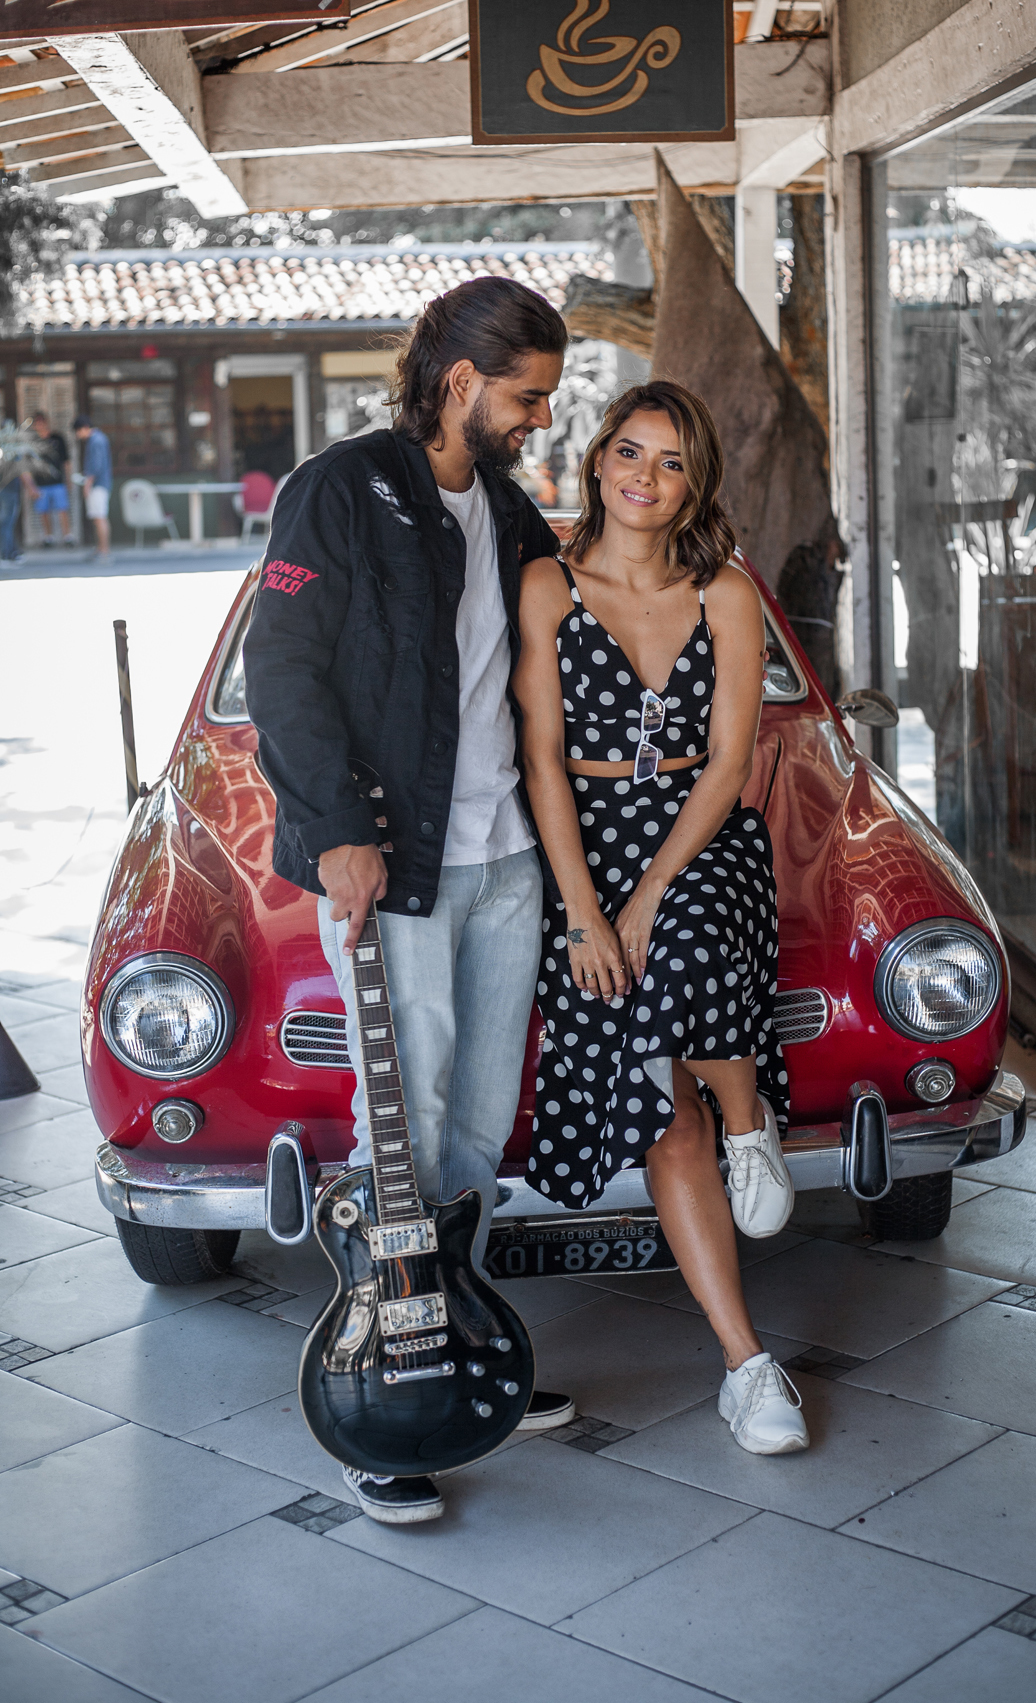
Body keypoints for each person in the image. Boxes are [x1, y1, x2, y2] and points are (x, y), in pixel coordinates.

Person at [243, 275, 576, 1527]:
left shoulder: (505, 508)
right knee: (410, 1112)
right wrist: (333, 832)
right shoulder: (338, 489)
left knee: (481, 1113)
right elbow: (280, 670)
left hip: (507, 860)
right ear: (459, 384)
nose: (540, 419)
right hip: (402, 862)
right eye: (527, 396)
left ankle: (464, 1329)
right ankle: (394, 1380)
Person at [514, 380, 809, 1458]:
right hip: (582, 840)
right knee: (655, 1099)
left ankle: (749, 1126)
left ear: (696, 483)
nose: (645, 477)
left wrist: (640, 903)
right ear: (597, 462)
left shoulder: (727, 592)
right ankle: (747, 1365)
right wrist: (587, 911)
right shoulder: (546, 585)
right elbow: (541, 756)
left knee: (679, 949)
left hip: (702, 830)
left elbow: (731, 763)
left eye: (672, 461)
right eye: (630, 453)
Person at [29, 411, 72, 548]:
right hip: (40, 483)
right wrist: (30, 486)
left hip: (58, 481)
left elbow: (66, 461)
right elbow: (27, 465)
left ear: (46, 422)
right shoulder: (32, 442)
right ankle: (48, 537)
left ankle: (67, 537)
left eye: (42, 421)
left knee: (62, 509)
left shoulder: (58, 438)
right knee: (43, 511)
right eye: (37, 422)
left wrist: (68, 479)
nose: (40, 424)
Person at [73, 415, 112, 558]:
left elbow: (96, 466)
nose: (78, 435)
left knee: (100, 517)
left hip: (98, 485)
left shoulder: (96, 441)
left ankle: (104, 550)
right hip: (99, 484)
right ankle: (100, 548)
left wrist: (87, 485)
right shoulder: (97, 439)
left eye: (78, 431)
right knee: (97, 518)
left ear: (84, 428)